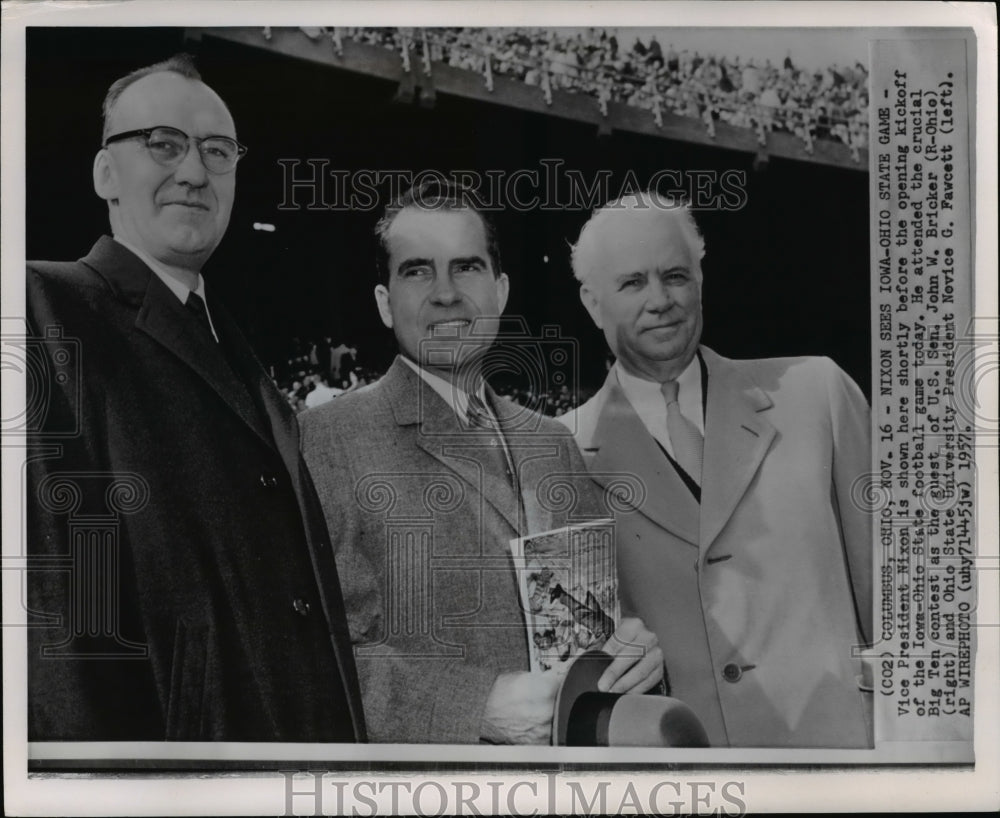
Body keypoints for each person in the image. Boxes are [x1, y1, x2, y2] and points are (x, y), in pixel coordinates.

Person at [25, 54, 365, 742]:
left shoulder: (233, 349)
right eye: (163, 143)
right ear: (105, 174)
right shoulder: (43, 304)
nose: (193, 171)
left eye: (217, 151)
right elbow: (58, 598)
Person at [301, 181, 664, 743]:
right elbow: (313, 656)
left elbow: (587, 627)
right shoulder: (327, 440)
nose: (446, 294)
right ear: (383, 302)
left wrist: (630, 653)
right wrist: (477, 707)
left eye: (466, 268)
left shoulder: (553, 443)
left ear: (500, 290)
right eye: (418, 271)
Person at [558, 192, 873, 748]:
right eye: (632, 283)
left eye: (675, 275)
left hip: (840, 760)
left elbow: (903, 604)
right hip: (690, 778)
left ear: (700, 279)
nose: (660, 300)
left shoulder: (818, 392)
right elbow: (573, 658)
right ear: (592, 301)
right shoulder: (559, 450)